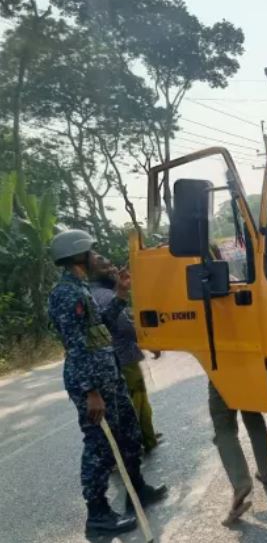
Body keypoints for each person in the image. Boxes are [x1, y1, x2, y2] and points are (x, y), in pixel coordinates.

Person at [48, 229, 168, 536]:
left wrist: (122, 294)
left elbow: (101, 326)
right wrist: (91, 392)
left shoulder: (81, 288)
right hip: (93, 386)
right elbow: (75, 345)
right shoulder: (66, 294)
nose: (94, 256)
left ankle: (137, 490)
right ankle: (97, 514)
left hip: (110, 378)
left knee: (129, 435)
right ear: (79, 255)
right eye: (91, 251)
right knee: (99, 447)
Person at [90, 255, 162, 454]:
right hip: (124, 358)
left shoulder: (92, 293)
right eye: (106, 267)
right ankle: (146, 439)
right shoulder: (106, 296)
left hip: (110, 360)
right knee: (138, 401)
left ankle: (140, 439)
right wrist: (149, 342)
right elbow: (125, 327)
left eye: (112, 265)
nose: (113, 269)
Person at [208, 380, 267, 525]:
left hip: (220, 373)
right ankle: (265, 471)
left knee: (224, 430)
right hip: (245, 372)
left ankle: (241, 483)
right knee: (254, 419)